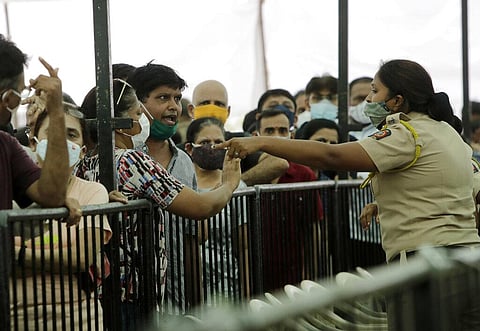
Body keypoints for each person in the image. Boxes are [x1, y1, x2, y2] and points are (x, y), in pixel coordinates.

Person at [216, 59, 480, 329]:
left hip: (426, 268)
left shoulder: (406, 133)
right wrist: (387, 203)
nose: (368, 98)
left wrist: (259, 142)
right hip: (469, 263)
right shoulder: (449, 134)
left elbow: (333, 155)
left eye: (375, 91)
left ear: (398, 100)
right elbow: (465, 188)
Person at [76, 78, 240, 326]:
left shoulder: (83, 163)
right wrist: (229, 183)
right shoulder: (133, 161)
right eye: (138, 113)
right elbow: (201, 207)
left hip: (95, 292)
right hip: (131, 296)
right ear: (120, 123)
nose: (146, 121)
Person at [12, 102, 112, 330]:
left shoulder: (92, 192)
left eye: (71, 135)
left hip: (78, 319)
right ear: (33, 142)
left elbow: (80, 258)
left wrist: (15, 256)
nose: (61, 142)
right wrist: (58, 260)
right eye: (53, 133)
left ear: (83, 150)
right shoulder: (11, 189)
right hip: (15, 319)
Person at [127, 63, 199, 313]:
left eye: (177, 98)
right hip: (133, 300)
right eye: (163, 97)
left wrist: (194, 301)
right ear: (138, 103)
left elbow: (193, 237)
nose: (173, 106)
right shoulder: (123, 159)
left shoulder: (185, 162)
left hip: (176, 301)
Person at [0, 35, 77, 220]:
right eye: (22, 92)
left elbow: (52, 194)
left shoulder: (7, 145)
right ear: (9, 98)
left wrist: (56, 112)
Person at [184, 117, 248, 302]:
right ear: (189, 148)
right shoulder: (181, 186)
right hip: (187, 287)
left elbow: (243, 247)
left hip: (227, 286)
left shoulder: (238, 186)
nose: (213, 147)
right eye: (205, 142)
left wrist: (247, 294)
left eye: (219, 142)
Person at [187, 80, 289, 186]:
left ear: (228, 111)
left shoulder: (240, 142)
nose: (213, 108)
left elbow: (279, 163)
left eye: (219, 104)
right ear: (191, 110)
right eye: (205, 103)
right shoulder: (179, 151)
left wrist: (234, 185)